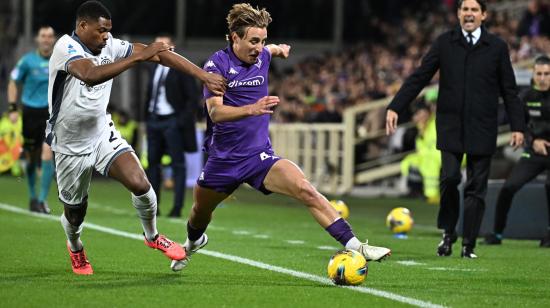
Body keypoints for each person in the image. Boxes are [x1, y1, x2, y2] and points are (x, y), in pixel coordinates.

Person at [170, 3, 391, 272]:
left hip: (259, 156)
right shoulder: (217, 65)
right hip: (223, 160)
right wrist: (252, 109)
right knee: (199, 213)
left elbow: (272, 50)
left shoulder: (263, 54)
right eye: (253, 41)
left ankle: (356, 246)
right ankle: (193, 243)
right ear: (234, 37)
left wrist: (280, 49)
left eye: (262, 41)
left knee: (305, 189)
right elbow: (215, 113)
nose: (259, 47)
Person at [47, 0, 225, 275]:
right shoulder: (65, 47)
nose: (106, 36)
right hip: (70, 143)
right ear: (82, 26)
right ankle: (75, 246)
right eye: (100, 30)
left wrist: (203, 76)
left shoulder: (112, 46)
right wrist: (138, 58)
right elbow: (90, 75)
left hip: (101, 132)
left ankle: (153, 236)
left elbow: (158, 54)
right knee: (75, 212)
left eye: (109, 31)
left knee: (140, 183)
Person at [386, 0, 525, 258]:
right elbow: (420, 76)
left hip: (483, 126)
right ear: (458, 14)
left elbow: (509, 90)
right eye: (465, 9)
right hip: (450, 126)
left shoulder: (496, 47)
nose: (469, 14)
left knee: (476, 187)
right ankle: (448, 233)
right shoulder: (444, 43)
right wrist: (396, 106)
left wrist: (518, 126)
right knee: (450, 179)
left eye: (474, 10)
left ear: (484, 15)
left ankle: (468, 244)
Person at [484, 55, 550, 247]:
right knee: (509, 187)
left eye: (547, 74)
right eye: (539, 73)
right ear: (534, 74)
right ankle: (496, 233)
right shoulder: (526, 97)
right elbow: (519, 125)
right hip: (534, 151)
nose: (543, 77)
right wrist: (533, 140)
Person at [145, 35, 199, 218]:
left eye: (164, 44)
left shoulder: (181, 67)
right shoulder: (153, 67)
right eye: (157, 44)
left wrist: (179, 121)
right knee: (152, 164)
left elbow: (193, 97)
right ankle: (154, 206)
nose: (159, 47)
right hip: (154, 120)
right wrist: (148, 117)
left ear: (172, 47)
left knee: (178, 165)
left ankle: (177, 207)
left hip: (172, 121)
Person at [8, 26, 56, 214]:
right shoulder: (27, 61)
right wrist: (12, 107)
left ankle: (42, 200)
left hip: (50, 113)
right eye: (43, 36)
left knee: (47, 151)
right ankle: (32, 196)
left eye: (50, 36)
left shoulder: (58, 60)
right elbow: (13, 82)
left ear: (53, 39)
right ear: (37, 39)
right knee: (31, 157)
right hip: (29, 113)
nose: (46, 39)